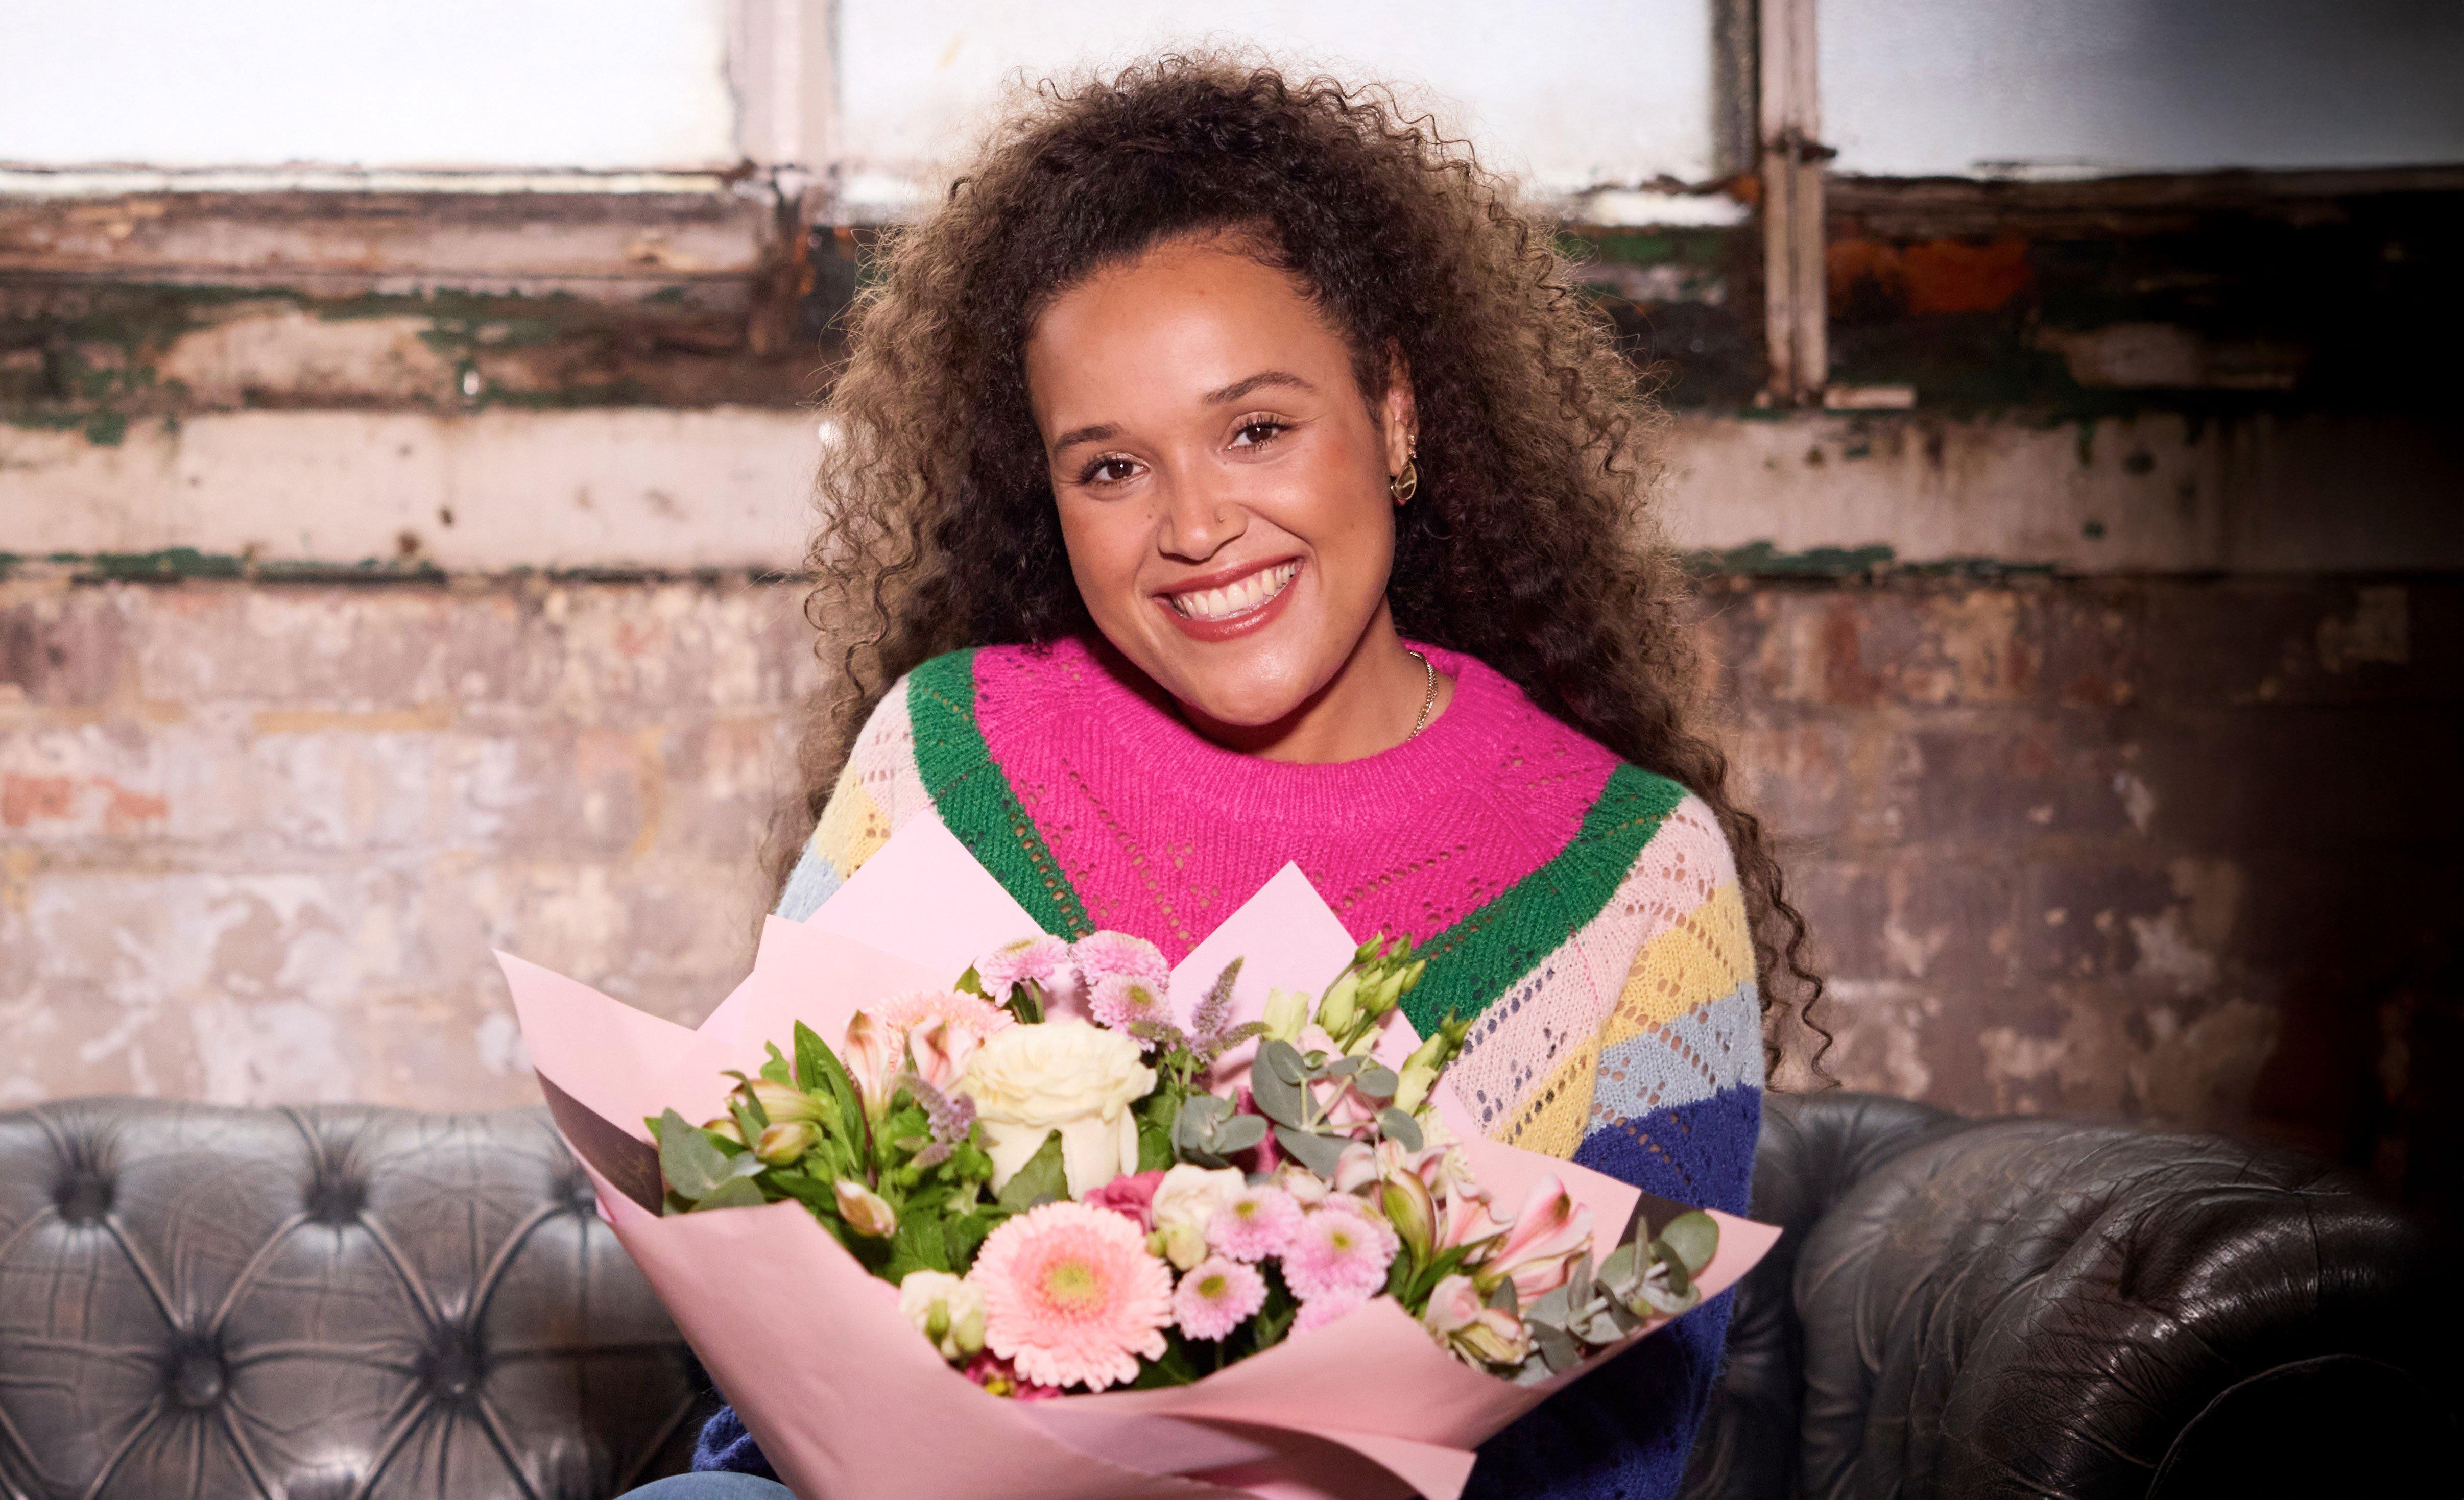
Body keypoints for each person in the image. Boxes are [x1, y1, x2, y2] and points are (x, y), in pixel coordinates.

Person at [624, 53, 1819, 1500]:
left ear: (1393, 412)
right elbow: (783, 1312)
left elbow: (1616, 1443)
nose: (1194, 526)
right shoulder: (945, 756)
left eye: (1256, 429)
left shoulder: (1637, 873)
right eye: (1110, 468)